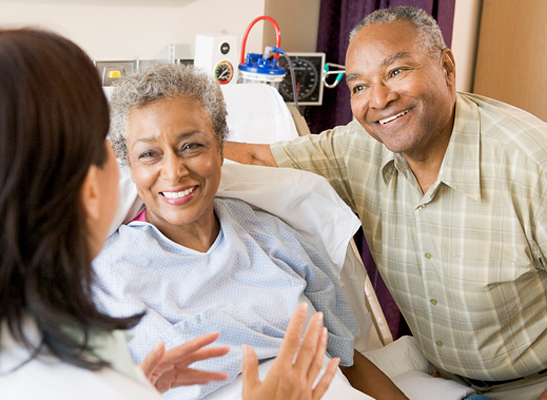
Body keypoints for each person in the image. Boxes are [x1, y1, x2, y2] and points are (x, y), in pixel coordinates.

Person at [0, 26, 343, 400]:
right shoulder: (87, 306)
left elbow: (348, 351)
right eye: (96, 139)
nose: (172, 171)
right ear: (83, 185)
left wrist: (139, 387)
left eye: (191, 146)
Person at [224, 5, 547, 400]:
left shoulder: (532, 166)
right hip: (446, 381)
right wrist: (156, 156)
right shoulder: (358, 149)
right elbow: (258, 159)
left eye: (396, 72)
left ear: (447, 68)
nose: (378, 99)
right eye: (359, 86)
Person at [93, 62, 408, 400]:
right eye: (149, 155)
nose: (173, 171)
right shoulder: (111, 274)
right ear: (130, 166)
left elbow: (346, 359)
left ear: (219, 148)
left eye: (191, 146)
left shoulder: (273, 236)